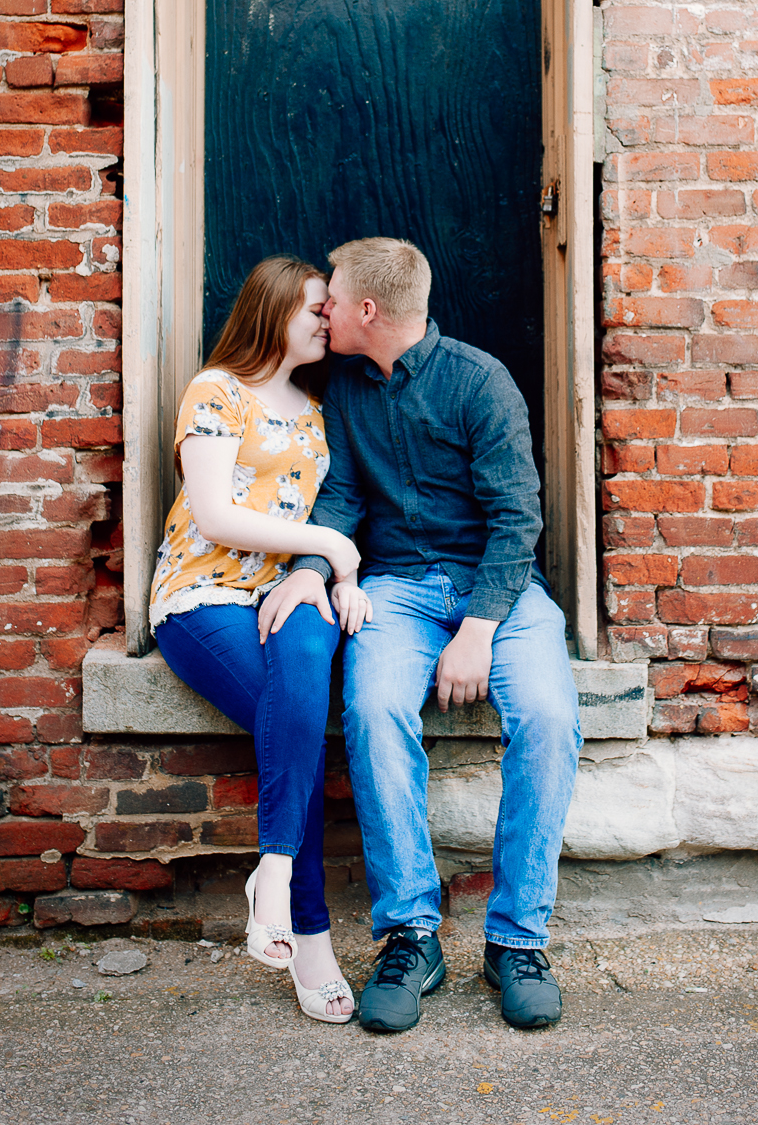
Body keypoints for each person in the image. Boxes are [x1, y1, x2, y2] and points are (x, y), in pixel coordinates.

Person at [256, 237, 581, 1034]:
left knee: (547, 717)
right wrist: (309, 565)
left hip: (495, 590)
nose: (323, 305)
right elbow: (338, 497)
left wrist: (477, 630)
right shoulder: (345, 387)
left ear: (367, 309)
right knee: (370, 712)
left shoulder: (479, 382)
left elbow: (517, 520)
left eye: (330, 295)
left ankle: (516, 942)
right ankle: (410, 934)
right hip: (395, 591)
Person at [150, 255, 373, 1024]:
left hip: (286, 592)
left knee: (303, 677)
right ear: (274, 308)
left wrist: (333, 571)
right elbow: (213, 515)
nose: (326, 320)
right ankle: (309, 936)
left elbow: (337, 513)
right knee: (297, 726)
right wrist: (334, 548)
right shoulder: (217, 391)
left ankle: (271, 872)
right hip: (204, 596)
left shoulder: (317, 409)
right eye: (315, 307)